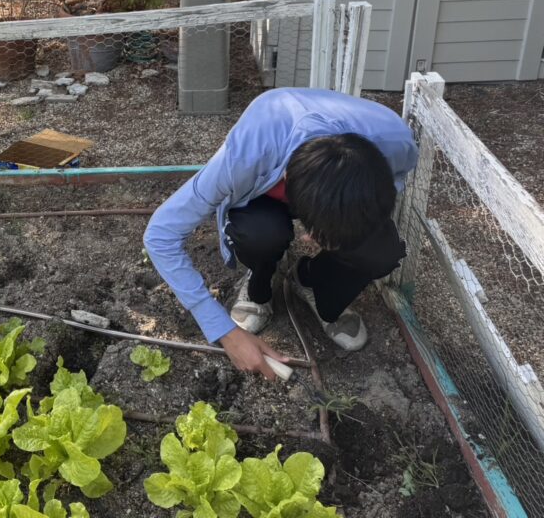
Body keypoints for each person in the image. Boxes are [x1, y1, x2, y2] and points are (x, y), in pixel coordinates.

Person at [143, 88, 418, 380]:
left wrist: (340, 223)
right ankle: (259, 286)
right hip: (265, 188)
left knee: (381, 251)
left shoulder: (395, 141)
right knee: (259, 235)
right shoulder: (245, 156)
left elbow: (395, 181)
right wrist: (224, 331)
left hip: (339, 178)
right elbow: (160, 235)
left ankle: (311, 280)